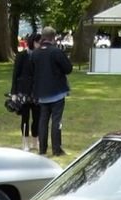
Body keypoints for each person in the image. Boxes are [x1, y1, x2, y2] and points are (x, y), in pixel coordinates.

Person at [29, 26, 72, 157]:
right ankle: (56, 149)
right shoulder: (56, 52)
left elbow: (32, 72)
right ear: (54, 38)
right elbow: (68, 68)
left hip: (41, 93)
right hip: (57, 92)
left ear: (42, 37)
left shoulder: (35, 53)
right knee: (56, 121)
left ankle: (42, 149)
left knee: (43, 121)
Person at [11, 33, 41, 151]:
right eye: (38, 42)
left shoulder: (39, 56)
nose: (39, 45)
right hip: (23, 91)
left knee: (37, 117)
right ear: (33, 42)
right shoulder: (22, 56)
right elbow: (15, 74)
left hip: (36, 91)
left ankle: (35, 140)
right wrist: (14, 92)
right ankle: (25, 142)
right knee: (25, 117)